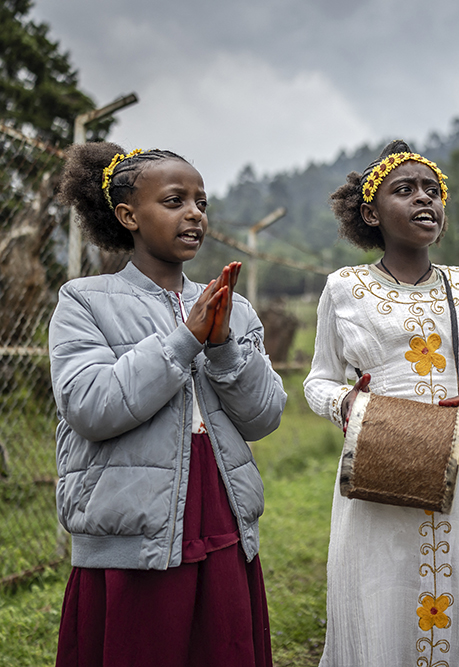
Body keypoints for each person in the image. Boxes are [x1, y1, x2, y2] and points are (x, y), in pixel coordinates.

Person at [51, 143, 286, 667]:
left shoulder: (234, 307)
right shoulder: (85, 300)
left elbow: (264, 416)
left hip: (219, 511)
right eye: (175, 200)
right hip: (134, 529)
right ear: (128, 215)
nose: (195, 214)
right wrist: (185, 339)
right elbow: (90, 406)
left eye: (201, 202)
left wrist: (223, 345)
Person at [303, 140, 459, 666]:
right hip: (378, 468)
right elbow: (318, 381)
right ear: (371, 213)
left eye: (432, 190)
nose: (425, 199)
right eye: (405, 190)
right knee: (380, 592)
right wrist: (348, 403)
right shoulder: (343, 287)